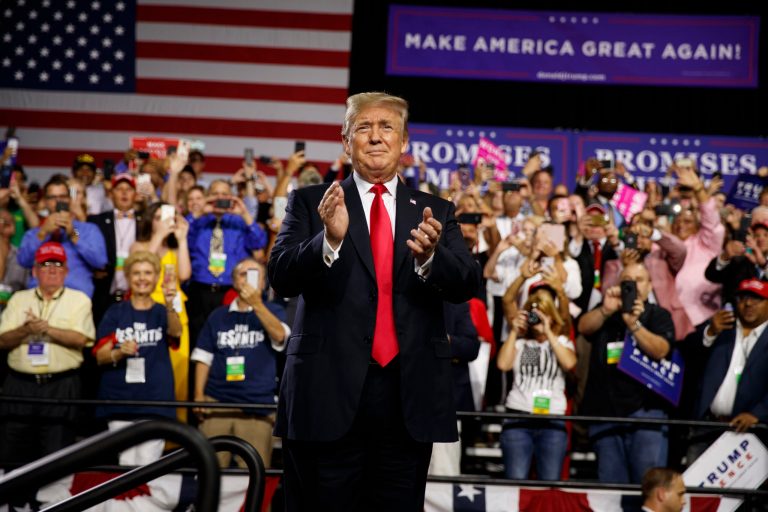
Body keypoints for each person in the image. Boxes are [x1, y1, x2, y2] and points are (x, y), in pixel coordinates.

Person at [267, 92, 480, 511]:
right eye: (364, 127)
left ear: (405, 143)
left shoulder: (435, 210)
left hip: (408, 398)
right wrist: (327, 240)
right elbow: (281, 277)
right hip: (325, 395)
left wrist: (432, 258)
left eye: (388, 128)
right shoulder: (312, 202)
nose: (376, 137)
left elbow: (467, 283)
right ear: (346, 141)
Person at [577, 262, 675, 483]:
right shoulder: (608, 311)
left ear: (650, 286)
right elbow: (583, 328)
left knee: (648, 484)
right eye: (626, 281)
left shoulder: (658, 315)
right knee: (611, 487)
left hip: (646, 412)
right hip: (606, 412)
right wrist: (605, 310)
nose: (632, 285)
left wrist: (634, 325)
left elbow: (661, 350)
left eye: (639, 280)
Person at [0, 242, 95, 466]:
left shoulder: (79, 300)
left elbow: (81, 339)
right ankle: (13, 500)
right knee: (12, 448)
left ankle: (51, 501)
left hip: (61, 385)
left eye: (57, 264)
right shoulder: (18, 299)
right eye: (45, 264)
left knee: (57, 450)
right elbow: (2, 341)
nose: (52, 269)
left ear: (66, 271)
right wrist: (26, 330)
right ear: (34, 271)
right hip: (19, 385)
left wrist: (46, 329)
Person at [191, 258, 289, 469]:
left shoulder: (275, 311)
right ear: (234, 281)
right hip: (217, 405)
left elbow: (280, 335)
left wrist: (257, 305)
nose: (248, 279)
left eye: (255, 274)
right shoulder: (218, 316)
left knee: (255, 477)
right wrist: (199, 395)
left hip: (257, 408)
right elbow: (203, 356)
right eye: (243, 274)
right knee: (210, 473)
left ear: (263, 283)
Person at [92, 251, 181, 466]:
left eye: (148, 273)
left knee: (148, 466)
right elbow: (100, 356)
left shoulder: (163, 311)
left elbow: (176, 333)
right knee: (124, 464)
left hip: (155, 401)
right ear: (128, 277)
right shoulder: (115, 312)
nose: (142, 278)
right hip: (120, 400)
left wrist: (170, 304)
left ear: (157, 277)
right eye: (137, 273)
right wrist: (119, 352)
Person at [497, 283, 576, 480]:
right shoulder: (521, 342)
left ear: (552, 314)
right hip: (518, 417)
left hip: (552, 420)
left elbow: (569, 363)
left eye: (543, 313)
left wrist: (549, 331)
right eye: (535, 314)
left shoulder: (562, 341)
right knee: (515, 482)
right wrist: (515, 331)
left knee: (549, 483)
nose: (538, 319)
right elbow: (503, 365)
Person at [688, 278, 768, 461]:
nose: (748, 304)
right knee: (698, 489)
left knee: (742, 490)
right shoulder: (721, 326)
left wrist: (758, 414)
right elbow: (687, 354)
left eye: (757, 299)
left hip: (752, 433)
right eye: (743, 298)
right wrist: (710, 332)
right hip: (707, 427)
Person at [131, 202, 191, 420]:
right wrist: (159, 236)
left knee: (178, 370)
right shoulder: (139, 245)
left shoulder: (175, 248)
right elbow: (143, 263)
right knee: (153, 368)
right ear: (150, 221)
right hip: (147, 309)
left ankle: (176, 434)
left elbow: (184, 275)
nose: (164, 221)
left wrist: (183, 239)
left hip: (175, 310)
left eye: (168, 217)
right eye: (158, 217)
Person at [17, 175, 107, 297]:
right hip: (39, 297)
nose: (58, 201)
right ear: (45, 201)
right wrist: (43, 233)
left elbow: (100, 261)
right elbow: (23, 261)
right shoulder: (35, 233)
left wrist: (73, 234)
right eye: (52, 197)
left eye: (62, 197)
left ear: (70, 199)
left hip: (75, 298)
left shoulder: (86, 229)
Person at [88, 174, 143, 325]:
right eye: (119, 189)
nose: (124, 193)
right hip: (104, 292)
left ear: (136, 194)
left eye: (129, 189)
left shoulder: (145, 220)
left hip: (136, 293)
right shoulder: (96, 220)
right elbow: (78, 233)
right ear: (111, 194)